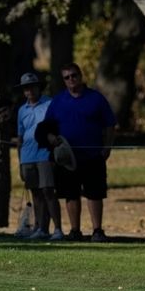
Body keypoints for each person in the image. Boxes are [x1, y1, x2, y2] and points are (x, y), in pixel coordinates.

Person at [43, 63, 116, 242]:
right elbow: (47, 127)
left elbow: (109, 125)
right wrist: (52, 138)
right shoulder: (58, 101)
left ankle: (97, 230)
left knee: (95, 193)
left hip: (93, 156)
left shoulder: (96, 98)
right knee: (70, 194)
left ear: (81, 75)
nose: (71, 80)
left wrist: (107, 148)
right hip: (67, 158)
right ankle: (75, 230)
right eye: (66, 77)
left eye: (74, 75)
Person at [16, 72, 63, 241]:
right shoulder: (22, 110)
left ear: (38, 87)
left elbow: (57, 127)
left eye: (32, 87)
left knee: (48, 191)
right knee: (36, 193)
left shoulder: (50, 104)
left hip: (45, 153)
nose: (30, 91)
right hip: (28, 156)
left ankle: (57, 229)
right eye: (26, 88)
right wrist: (20, 162)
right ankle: (41, 228)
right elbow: (20, 138)